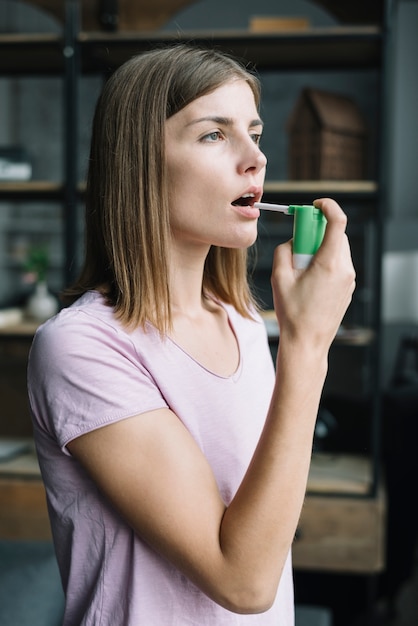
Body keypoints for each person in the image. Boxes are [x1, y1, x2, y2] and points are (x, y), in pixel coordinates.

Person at [27, 43, 355, 625]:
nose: (255, 159)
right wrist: (308, 347)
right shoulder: (83, 348)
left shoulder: (243, 321)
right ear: (140, 163)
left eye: (254, 133)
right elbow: (244, 580)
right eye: (214, 135)